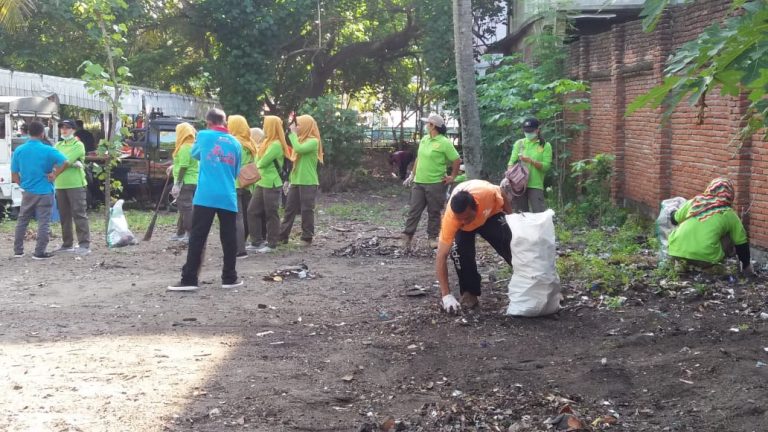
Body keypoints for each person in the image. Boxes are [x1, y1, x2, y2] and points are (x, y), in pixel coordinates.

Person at [168, 108, 242, 292]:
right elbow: (236, 171)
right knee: (229, 238)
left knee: (198, 237)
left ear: (209, 122)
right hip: (227, 194)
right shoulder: (236, 142)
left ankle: (190, 279)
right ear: (224, 122)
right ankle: (229, 278)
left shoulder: (203, 136)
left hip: (206, 196)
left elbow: (195, 155)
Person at [435, 179, 515, 313]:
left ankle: (528, 276)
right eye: (459, 218)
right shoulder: (452, 219)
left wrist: (512, 218)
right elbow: (441, 256)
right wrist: (446, 295)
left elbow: (501, 191)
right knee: (459, 252)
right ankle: (470, 293)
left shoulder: (487, 193)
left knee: (510, 241)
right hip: (465, 228)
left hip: (490, 215)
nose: (463, 221)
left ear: (476, 207)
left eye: (466, 217)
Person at [668, 178, 753, 275]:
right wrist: (746, 266)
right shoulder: (729, 213)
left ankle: (681, 263)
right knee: (732, 234)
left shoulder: (695, 202)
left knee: (682, 226)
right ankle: (710, 267)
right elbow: (741, 244)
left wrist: (673, 212)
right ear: (730, 194)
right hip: (706, 256)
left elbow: (674, 220)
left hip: (675, 251)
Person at [11, 121, 70, 259]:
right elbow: (66, 162)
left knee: (22, 220)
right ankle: (39, 252)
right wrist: (55, 174)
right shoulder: (48, 150)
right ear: (43, 133)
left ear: (28, 133)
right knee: (44, 221)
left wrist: (23, 185)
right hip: (45, 190)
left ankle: (18, 251)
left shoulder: (19, 150)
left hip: (28, 191)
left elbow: (14, 174)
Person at [402, 114, 461, 249]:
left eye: (427, 123)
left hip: (436, 183)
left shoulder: (444, 142)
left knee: (434, 211)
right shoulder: (424, 139)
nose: (426, 125)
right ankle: (407, 236)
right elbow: (419, 158)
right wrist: (412, 174)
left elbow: (456, 159)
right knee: (414, 210)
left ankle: (432, 238)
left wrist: (452, 176)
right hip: (419, 182)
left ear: (433, 126)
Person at [246, 116, 291, 253]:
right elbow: (257, 158)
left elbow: (262, 161)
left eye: (266, 125)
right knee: (252, 210)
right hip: (261, 181)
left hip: (272, 183)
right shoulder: (266, 142)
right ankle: (256, 241)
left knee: (271, 213)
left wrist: (253, 166)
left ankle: (272, 244)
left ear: (272, 127)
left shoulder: (276, 144)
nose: (264, 128)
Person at [279, 114, 323, 247]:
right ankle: (282, 236)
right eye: (296, 125)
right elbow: (295, 162)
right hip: (296, 181)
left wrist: (292, 134)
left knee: (306, 210)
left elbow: (298, 149)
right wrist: (289, 180)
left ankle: (307, 237)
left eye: (299, 125)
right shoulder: (300, 140)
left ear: (306, 126)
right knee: (289, 209)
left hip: (308, 182)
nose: (297, 127)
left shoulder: (313, 141)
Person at [54, 119, 91, 254]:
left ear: (73, 130)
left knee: (79, 214)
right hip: (60, 184)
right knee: (64, 215)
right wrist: (67, 163)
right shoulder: (58, 144)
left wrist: (61, 165)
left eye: (67, 128)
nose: (64, 130)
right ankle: (67, 243)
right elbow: (56, 160)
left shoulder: (78, 145)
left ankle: (84, 244)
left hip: (76, 184)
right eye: (62, 127)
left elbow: (64, 161)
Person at [227, 115, 259, 258]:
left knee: (237, 217)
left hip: (235, 183)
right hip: (248, 183)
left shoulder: (233, 142)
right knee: (246, 216)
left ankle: (240, 250)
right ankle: (243, 242)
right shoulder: (250, 142)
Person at [507, 118, 552, 213]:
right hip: (519, 184)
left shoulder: (545, 145)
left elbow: (546, 167)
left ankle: (540, 228)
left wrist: (531, 161)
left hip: (535, 184)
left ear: (537, 130)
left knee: (539, 213)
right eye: (526, 131)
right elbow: (511, 162)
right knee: (521, 214)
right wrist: (509, 177)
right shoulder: (519, 143)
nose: (528, 133)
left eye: (530, 131)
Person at [169, 122, 199, 242]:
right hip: (193, 180)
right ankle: (180, 232)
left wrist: (178, 183)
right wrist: (172, 166)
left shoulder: (185, 147)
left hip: (186, 182)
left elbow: (184, 166)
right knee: (184, 207)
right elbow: (185, 163)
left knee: (186, 209)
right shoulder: (193, 146)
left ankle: (190, 234)